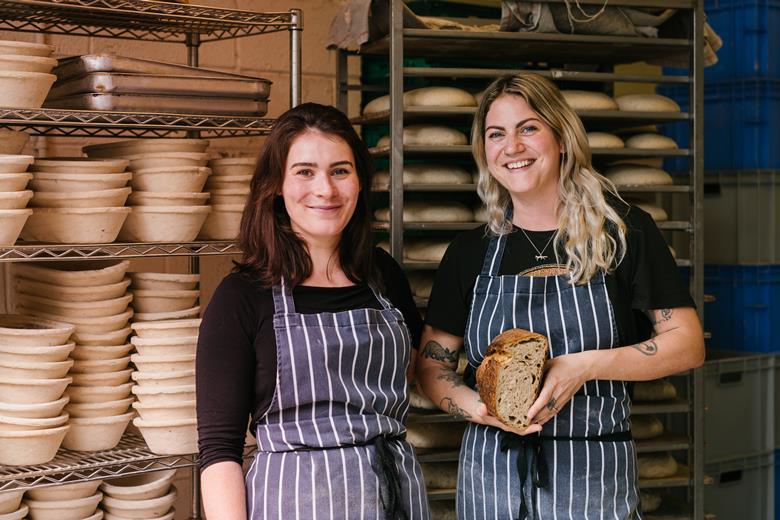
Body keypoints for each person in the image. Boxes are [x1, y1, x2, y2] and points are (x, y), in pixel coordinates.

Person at [415, 73, 705, 519]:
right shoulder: (470, 252)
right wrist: (481, 408)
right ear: (485, 152)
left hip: (593, 480)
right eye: (496, 134)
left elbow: (687, 344)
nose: (511, 147)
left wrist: (583, 366)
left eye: (528, 128)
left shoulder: (624, 234)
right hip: (491, 479)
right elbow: (432, 365)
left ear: (563, 137)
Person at [197, 102, 430, 519]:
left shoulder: (383, 276)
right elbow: (219, 450)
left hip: (397, 500)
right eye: (305, 171)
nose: (325, 189)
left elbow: (412, 370)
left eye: (340, 170)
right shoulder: (242, 296)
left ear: (359, 182)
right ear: (276, 186)